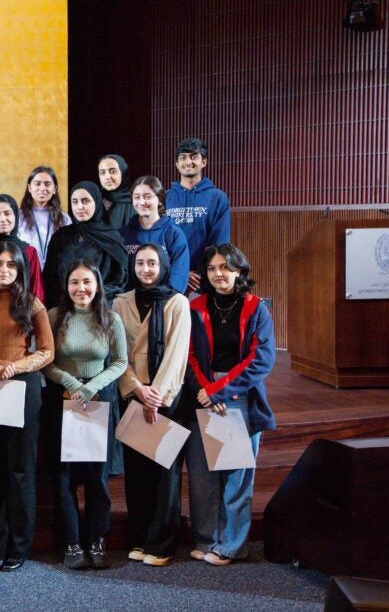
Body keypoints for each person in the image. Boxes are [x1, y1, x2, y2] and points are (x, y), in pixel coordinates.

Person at [184, 244, 275, 566]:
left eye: (225, 267)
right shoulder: (195, 307)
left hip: (240, 396)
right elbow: (189, 354)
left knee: (236, 476)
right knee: (202, 475)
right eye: (211, 269)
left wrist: (221, 392)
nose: (218, 274)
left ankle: (232, 545)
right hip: (203, 393)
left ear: (239, 271)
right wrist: (207, 391)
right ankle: (207, 539)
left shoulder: (256, 308)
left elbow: (261, 359)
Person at [0, 241, 55, 572]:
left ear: (21, 269)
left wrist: (13, 367)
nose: (3, 269)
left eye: (11, 265)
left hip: (23, 387)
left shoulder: (32, 304)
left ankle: (20, 545)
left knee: (21, 470)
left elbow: (47, 351)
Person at [44, 262, 128, 570]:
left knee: (97, 477)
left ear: (98, 285)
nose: (81, 288)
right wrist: (70, 383)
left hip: (98, 399)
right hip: (62, 399)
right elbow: (46, 360)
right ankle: (71, 542)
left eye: (87, 282)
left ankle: (96, 540)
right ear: (66, 286)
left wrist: (91, 387)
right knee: (64, 476)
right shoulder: (54, 316)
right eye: (75, 282)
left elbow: (119, 362)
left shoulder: (111, 318)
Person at [112, 244, 190, 566]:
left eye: (152, 263)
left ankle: (162, 543)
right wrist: (136, 389)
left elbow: (177, 353)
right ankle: (140, 538)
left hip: (167, 398)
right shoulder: (120, 302)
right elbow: (116, 352)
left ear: (164, 265)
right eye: (140, 263)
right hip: (132, 395)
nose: (146, 268)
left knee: (165, 473)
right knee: (137, 473)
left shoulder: (177, 302)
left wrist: (157, 394)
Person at [43, 182, 128, 306]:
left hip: (101, 309)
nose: (79, 207)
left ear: (97, 202)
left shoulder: (111, 238)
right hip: (64, 310)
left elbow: (120, 281)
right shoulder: (61, 237)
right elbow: (49, 279)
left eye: (85, 201)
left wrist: (93, 295)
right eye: (75, 202)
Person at [165, 138, 232, 292]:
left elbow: (219, 243)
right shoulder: (165, 197)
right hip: (170, 279)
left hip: (203, 280)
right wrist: (180, 272)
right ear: (176, 164)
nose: (188, 161)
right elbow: (160, 240)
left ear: (204, 162)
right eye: (183, 157)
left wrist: (201, 272)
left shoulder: (217, 198)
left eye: (193, 157)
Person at [120, 176, 190, 294]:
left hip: (164, 301)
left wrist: (163, 299)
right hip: (129, 302)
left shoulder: (173, 233)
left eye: (148, 197)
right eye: (137, 197)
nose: (142, 202)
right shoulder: (123, 234)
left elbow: (179, 276)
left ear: (160, 199)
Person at [0, 194, 45, 301]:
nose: (2, 219)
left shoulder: (29, 252)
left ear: (15, 215)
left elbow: (37, 292)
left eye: (7, 213)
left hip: (24, 313)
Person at [17, 165, 71, 270]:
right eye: (37, 184)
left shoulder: (64, 219)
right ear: (29, 188)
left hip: (55, 274)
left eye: (47, 184)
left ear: (54, 189)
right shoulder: (18, 216)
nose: (42, 188)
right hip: (27, 273)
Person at [98, 154, 135, 229]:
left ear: (123, 173)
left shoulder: (136, 202)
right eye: (102, 172)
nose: (108, 177)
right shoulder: (95, 201)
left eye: (113, 171)